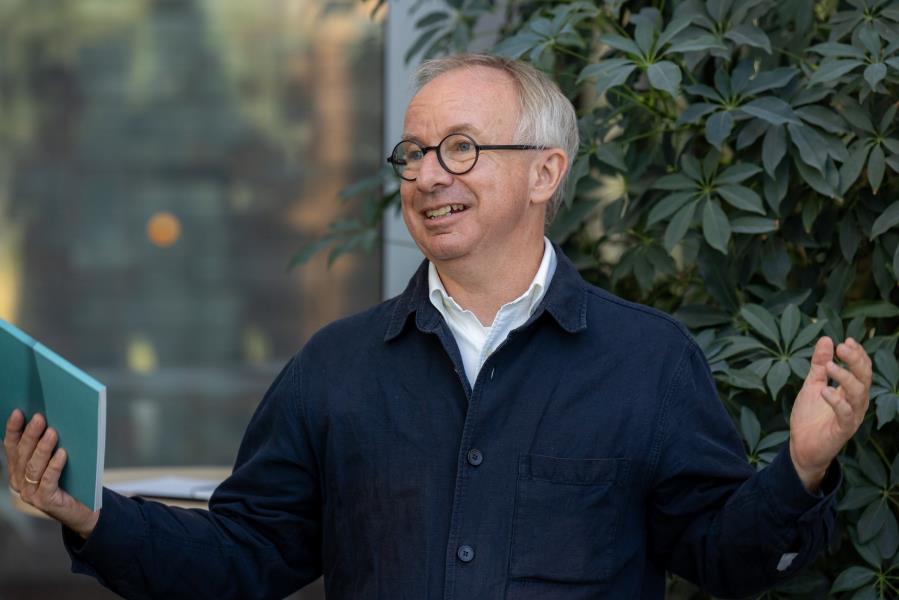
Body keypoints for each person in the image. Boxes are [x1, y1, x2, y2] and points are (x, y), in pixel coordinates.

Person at [3, 54, 872, 599]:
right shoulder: (337, 366)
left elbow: (724, 560)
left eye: (460, 148)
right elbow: (239, 559)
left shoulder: (646, 360)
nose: (425, 176)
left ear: (544, 174)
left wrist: (800, 469)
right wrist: (92, 517)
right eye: (413, 153)